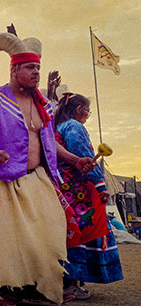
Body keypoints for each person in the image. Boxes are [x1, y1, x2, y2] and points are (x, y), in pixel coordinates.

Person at [0, 30, 97, 305]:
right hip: (5, 180)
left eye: (38, 67)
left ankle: (35, 286)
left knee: (47, 232)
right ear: (14, 69)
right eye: (30, 67)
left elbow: (49, 143)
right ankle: (11, 289)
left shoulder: (43, 107)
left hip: (38, 179)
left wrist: (76, 160)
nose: (36, 72)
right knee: (10, 237)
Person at [55, 93, 123, 299]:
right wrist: (100, 185)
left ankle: (66, 282)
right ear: (78, 110)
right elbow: (83, 156)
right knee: (79, 233)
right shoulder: (73, 127)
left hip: (62, 188)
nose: (87, 116)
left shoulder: (57, 128)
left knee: (66, 234)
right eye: (87, 111)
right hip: (76, 190)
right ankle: (69, 285)